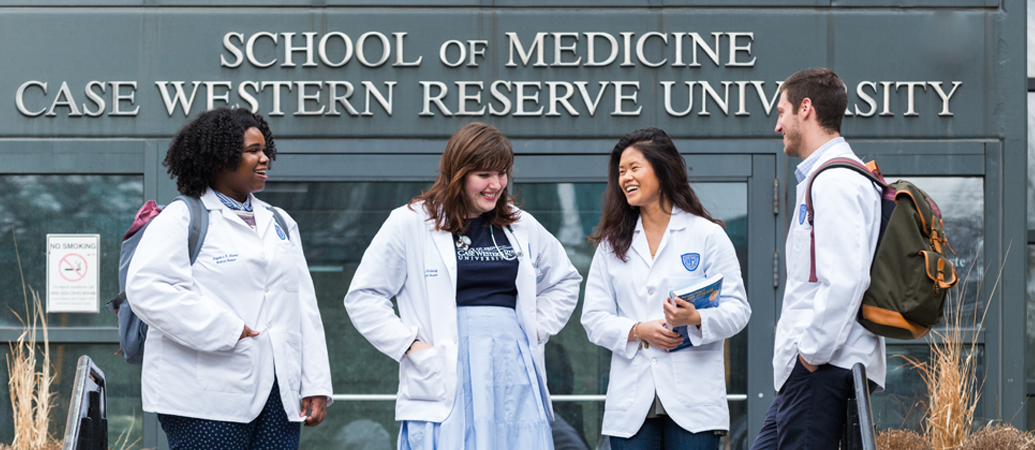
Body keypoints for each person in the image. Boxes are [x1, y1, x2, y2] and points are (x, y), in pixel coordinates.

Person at [343, 122, 583, 450]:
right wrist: (410, 346)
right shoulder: (411, 221)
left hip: (511, 366)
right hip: (443, 363)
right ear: (458, 173)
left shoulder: (519, 223)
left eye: (503, 174)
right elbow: (363, 296)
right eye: (484, 174)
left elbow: (565, 280)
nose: (496, 184)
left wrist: (537, 328)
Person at [126, 108, 332, 450]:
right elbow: (148, 290)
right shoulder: (182, 218)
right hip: (203, 399)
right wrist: (227, 329)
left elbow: (303, 308)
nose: (265, 158)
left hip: (277, 393)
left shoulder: (279, 222)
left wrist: (316, 381)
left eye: (265, 150)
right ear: (219, 158)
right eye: (253, 151)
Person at [581, 128, 751, 450]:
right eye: (621, 171)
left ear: (661, 169)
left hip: (694, 400)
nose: (625, 178)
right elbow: (593, 319)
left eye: (634, 168)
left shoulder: (706, 235)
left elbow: (738, 310)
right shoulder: (612, 244)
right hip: (633, 400)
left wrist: (697, 317)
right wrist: (637, 329)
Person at [750, 68, 886, 450]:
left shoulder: (836, 182)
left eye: (782, 112)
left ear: (805, 108)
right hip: (813, 370)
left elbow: (846, 279)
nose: (778, 125)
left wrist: (809, 355)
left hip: (823, 368)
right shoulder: (826, 178)